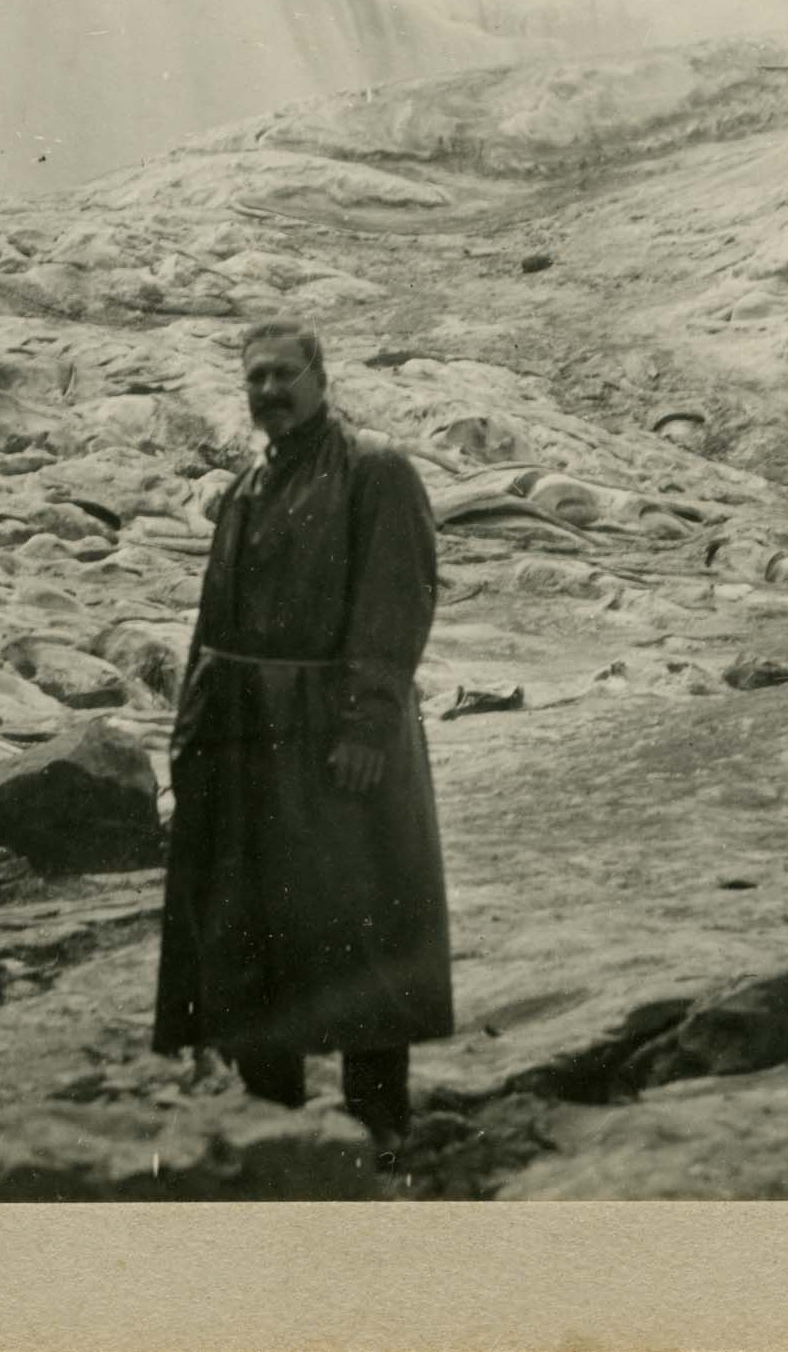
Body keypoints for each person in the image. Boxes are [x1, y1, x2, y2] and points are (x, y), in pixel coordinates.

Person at [152, 318, 456, 1161]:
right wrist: (192, 739)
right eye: (254, 379)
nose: (268, 392)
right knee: (252, 916)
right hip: (246, 736)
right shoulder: (249, 487)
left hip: (335, 730)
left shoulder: (375, 470)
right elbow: (213, 627)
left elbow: (398, 600)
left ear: (321, 376)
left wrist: (368, 724)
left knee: (362, 910)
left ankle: (378, 1117)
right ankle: (273, 1114)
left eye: (283, 375)